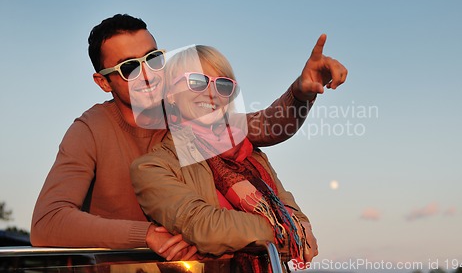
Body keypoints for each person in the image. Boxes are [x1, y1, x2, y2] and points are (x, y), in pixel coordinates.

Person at [30, 14, 347, 260]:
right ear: (103, 82)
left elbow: (264, 126)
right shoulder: (91, 130)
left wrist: (302, 91)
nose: (147, 74)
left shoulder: (186, 106)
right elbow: (48, 223)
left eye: (152, 59)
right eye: (129, 68)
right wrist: (146, 236)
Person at [130, 45, 318, 271]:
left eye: (223, 85)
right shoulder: (153, 166)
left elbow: (292, 209)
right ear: (170, 93)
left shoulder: (251, 155)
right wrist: (289, 229)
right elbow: (205, 227)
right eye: (197, 82)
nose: (212, 93)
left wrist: (291, 226)